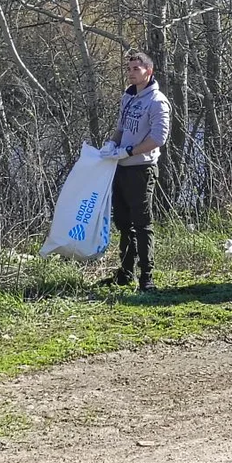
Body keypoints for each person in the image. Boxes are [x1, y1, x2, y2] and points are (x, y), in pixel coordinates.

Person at [99, 51, 171, 292]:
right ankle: (125, 273)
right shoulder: (127, 98)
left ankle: (146, 277)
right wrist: (112, 145)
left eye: (136, 69)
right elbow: (120, 128)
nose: (131, 73)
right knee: (122, 223)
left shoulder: (157, 101)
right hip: (120, 168)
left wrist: (130, 151)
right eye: (129, 69)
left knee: (142, 224)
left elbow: (158, 138)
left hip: (141, 169)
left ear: (148, 72)